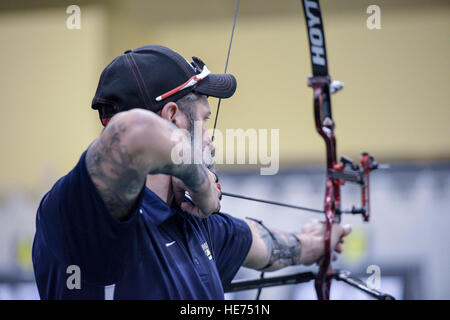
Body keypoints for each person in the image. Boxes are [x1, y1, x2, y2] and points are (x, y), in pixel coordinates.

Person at [32, 45, 350, 299]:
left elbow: (264, 242)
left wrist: (317, 240)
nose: (211, 139)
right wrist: (201, 183)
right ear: (173, 117)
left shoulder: (196, 225)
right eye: (204, 119)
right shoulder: (81, 212)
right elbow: (133, 132)